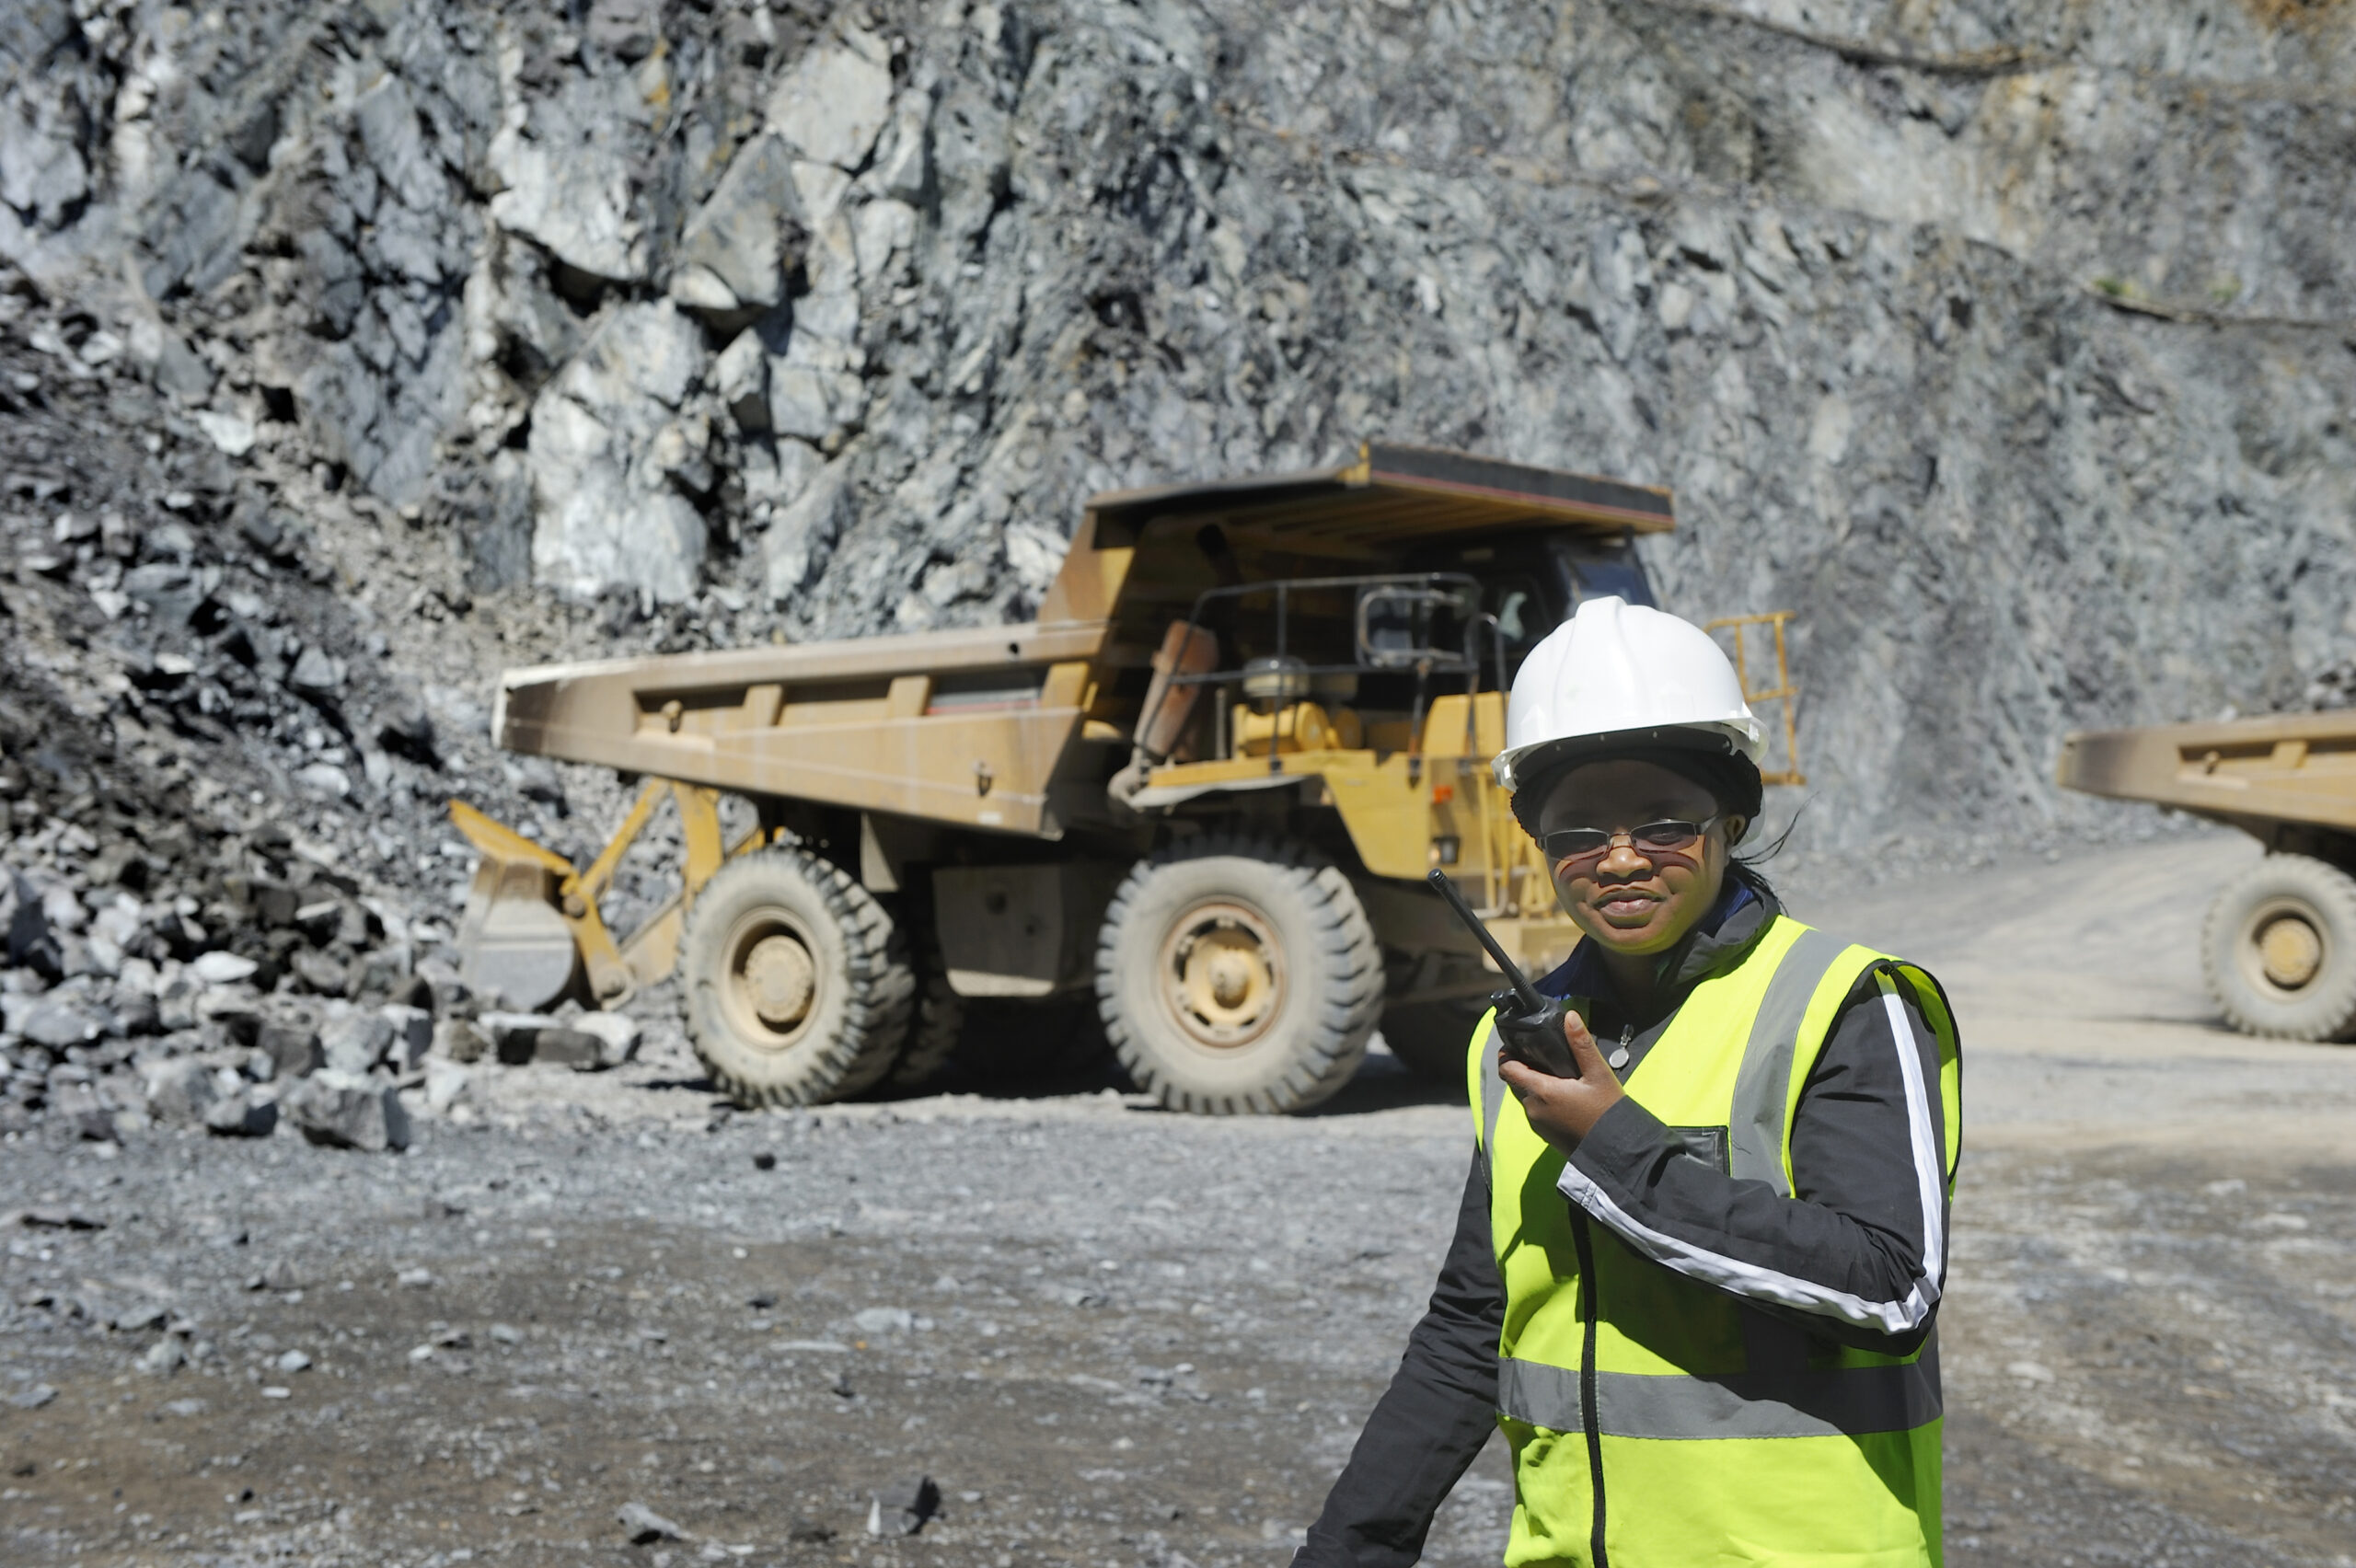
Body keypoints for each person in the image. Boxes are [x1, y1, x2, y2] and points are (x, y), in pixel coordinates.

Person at [1295, 596, 1961, 1568]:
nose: (1616, 859)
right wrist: (1351, 1545)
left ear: (1728, 822)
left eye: (1662, 824)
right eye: (1577, 833)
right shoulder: (1514, 1041)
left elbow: (1890, 1289)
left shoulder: (1840, 1003)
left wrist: (1617, 1150)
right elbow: (1471, 1324)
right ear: (1537, 843)